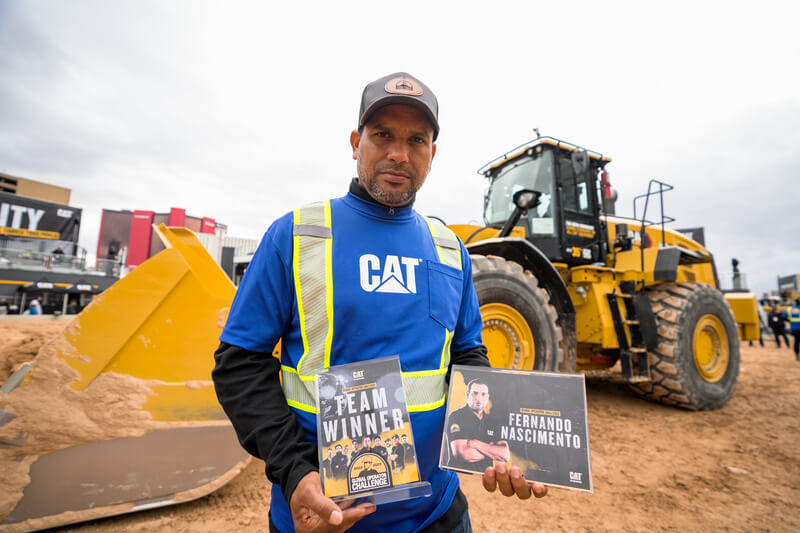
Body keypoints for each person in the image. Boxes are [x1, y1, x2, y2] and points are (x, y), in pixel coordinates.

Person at [212, 72, 546, 533]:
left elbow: (469, 355)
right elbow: (239, 364)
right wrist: (295, 472)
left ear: (433, 152)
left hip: (436, 515)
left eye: (417, 139)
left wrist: (493, 439)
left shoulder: (450, 250)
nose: (398, 153)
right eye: (383, 135)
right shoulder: (296, 236)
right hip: (324, 516)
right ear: (356, 142)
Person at [445, 378, 509, 472]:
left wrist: (475, 444)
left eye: (483, 394)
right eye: (475, 393)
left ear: (488, 397)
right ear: (467, 395)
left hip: (485, 479)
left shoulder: (492, 421)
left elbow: (505, 455)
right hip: (460, 477)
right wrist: (493, 451)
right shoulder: (456, 416)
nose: (479, 398)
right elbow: (463, 455)